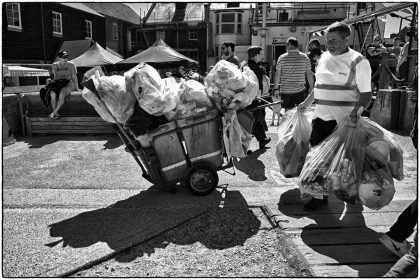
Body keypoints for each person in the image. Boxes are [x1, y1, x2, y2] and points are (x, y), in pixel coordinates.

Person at [297, 21, 372, 211]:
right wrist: (306, 103)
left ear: (347, 39)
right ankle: (319, 196)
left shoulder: (358, 61)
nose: (329, 44)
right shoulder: (323, 57)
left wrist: (357, 113)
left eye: (334, 40)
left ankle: (349, 193)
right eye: (327, 40)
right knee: (317, 157)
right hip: (320, 117)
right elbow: (319, 86)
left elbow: (366, 94)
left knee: (346, 161)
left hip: (344, 122)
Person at [273, 37, 314, 115]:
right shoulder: (305, 57)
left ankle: (287, 126)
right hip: (300, 90)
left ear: (288, 45)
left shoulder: (282, 57)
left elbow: (277, 74)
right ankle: (299, 127)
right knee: (301, 112)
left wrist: (276, 88)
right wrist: (311, 87)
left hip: (286, 91)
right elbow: (309, 74)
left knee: (287, 113)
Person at [244, 46, 271, 151]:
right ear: (255, 55)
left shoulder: (245, 65)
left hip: (245, 97)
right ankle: (247, 145)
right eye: (261, 53)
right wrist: (259, 98)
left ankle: (262, 139)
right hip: (253, 97)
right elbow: (258, 85)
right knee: (252, 120)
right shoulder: (255, 68)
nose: (262, 56)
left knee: (255, 118)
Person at [49, 51, 79, 119]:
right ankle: (56, 113)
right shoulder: (54, 65)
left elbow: (74, 77)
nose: (66, 59)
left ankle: (53, 113)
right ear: (59, 58)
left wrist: (77, 88)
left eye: (66, 57)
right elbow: (55, 77)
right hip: (59, 83)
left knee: (62, 94)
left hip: (69, 83)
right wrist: (53, 85)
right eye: (63, 57)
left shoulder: (71, 65)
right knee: (52, 94)